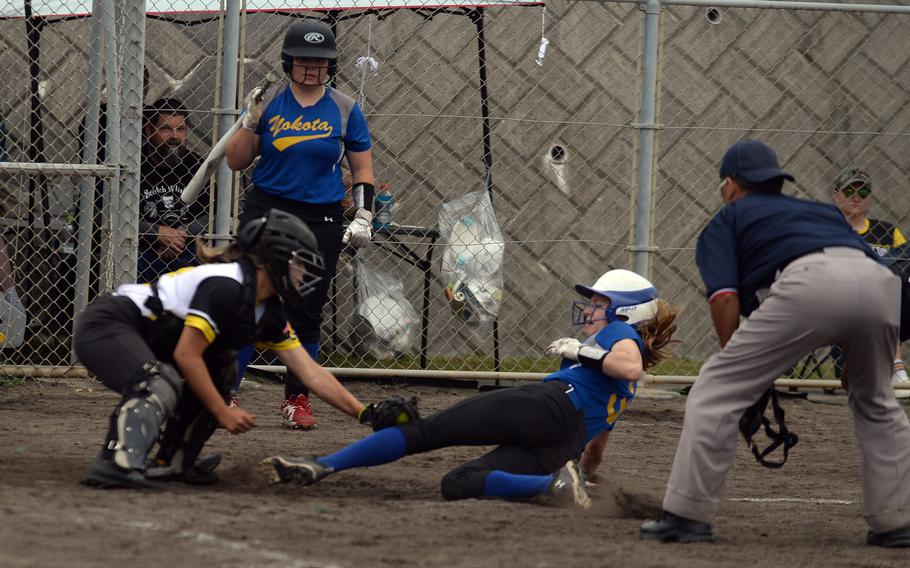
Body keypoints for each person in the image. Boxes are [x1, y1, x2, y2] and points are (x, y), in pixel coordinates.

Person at [640, 140, 910, 547]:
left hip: (809, 281)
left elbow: (725, 298)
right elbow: (862, 282)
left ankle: (686, 515)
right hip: (880, 285)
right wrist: (860, 362)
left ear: (730, 186)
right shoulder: (821, 211)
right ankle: (897, 523)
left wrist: (737, 365)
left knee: (715, 389)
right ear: (776, 182)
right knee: (876, 400)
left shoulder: (727, 218)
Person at [260, 269, 679, 508]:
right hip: (560, 445)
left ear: (625, 312)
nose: (590, 308)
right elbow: (598, 446)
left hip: (547, 407)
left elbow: (630, 367)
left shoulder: (619, 334)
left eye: (599, 303)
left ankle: (324, 464)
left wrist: (581, 352)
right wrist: (585, 475)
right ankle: (550, 487)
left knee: (426, 432)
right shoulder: (620, 379)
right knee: (458, 482)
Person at [72, 209, 398, 489]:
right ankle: (117, 463)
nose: (305, 271)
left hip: (150, 336)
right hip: (109, 327)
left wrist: (364, 412)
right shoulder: (227, 286)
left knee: (220, 372)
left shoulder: (267, 310)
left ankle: (173, 460)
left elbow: (309, 373)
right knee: (156, 380)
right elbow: (187, 355)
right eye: (300, 262)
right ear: (276, 258)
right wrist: (222, 412)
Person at [226, 18, 376, 430]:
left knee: (306, 309)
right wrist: (250, 121)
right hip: (267, 209)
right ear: (287, 61)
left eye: (321, 62)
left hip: (320, 216)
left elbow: (361, 167)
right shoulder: (268, 99)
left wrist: (363, 214)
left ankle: (296, 398)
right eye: (304, 60)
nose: (312, 68)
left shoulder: (345, 109)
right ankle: (226, 391)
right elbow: (236, 161)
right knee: (247, 301)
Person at [830, 167, 910, 392]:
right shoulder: (829, 229)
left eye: (863, 192)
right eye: (849, 191)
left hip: (894, 302)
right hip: (845, 303)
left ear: (870, 198)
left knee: (895, 271)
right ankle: (897, 367)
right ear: (837, 195)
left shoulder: (887, 231)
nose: (857, 197)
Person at [138, 98, 209, 283]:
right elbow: (114, 217)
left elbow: (214, 213)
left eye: (181, 129)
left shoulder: (195, 164)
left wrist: (179, 235)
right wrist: (156, 233)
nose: (175, 137)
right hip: (143, 248)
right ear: (149, 131)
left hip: (186, 246)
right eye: (166, 129)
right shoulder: (134, 165)